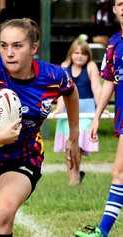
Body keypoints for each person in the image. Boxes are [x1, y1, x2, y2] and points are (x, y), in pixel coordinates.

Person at [0, 18, 80, 237]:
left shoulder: (52, 76)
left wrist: (74, 135)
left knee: (2, 213)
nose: (9, 52)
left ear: (34, 48)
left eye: (17, 46)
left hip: (22, 158)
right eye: (4, 45)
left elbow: (70, 90)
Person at [74, 0, 123, 236]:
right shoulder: (114, 44)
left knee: (119, 173)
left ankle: (103, 231)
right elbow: (109, 83)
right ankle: (102, 231)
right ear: (114, 10)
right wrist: (96, 117)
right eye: (120, 4)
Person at [53, 36, 102, 186]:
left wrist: (100, 109)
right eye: (76, 53)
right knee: (68, 148)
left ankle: (75, 177)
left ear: (88, 55)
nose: (79, 56)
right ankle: (73, 179)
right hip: (68, 111)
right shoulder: (64, 66)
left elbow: (96, 88)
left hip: (86, 111)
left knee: (78, 144)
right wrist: (58, 109)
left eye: (83, 53)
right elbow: (62, 93)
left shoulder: (91, 66)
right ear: (71, 54)